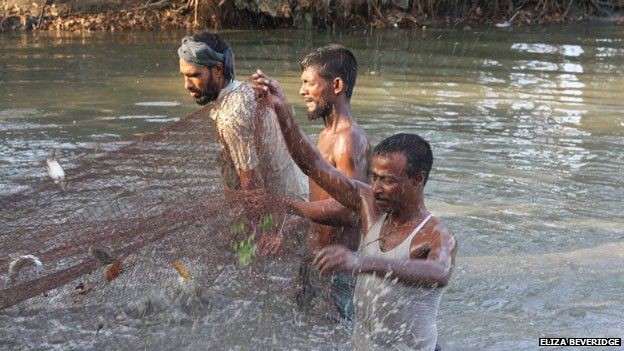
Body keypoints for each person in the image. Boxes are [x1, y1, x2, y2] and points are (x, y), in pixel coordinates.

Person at [251, 74, 457, 350]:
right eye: (374, 177)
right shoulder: (369, 205)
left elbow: (438, 273)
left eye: (389, 180)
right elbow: (314, 165)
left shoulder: (435, 234)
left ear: (418, 180)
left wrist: (362, 264)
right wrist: (282, 111)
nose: (378, 188)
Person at [254, 44, 370, 324]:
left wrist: (291, 207)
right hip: (315, 258)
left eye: (309, 84)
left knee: (336, 335)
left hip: (337, 267)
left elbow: (349, 211)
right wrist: (291, 227)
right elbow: (321, 204)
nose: (303, 91)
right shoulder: (325, 136)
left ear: (337, 85)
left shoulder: (347, 140)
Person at [178, 30, 308, 202]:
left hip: (290, 212)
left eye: (194, 75)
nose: (187, 85)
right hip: (303, 192)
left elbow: (253, 190)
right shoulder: (244, 89)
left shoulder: (230, 116)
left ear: (218, 69)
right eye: (184, 76)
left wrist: (247, 227)